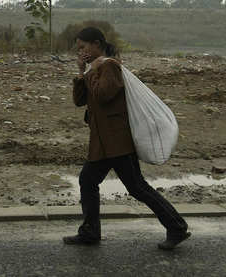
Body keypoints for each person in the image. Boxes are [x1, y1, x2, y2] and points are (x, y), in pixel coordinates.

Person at [63, 26, 190, 250]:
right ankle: (90, 232)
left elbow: (103, 95)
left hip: (118, 142)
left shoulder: (109, 66)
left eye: (83, 47)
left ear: (96, 44)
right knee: (88, 181)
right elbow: (80, 101)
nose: (80, 51)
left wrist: (91, 72)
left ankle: (177, 227)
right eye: (78, 48)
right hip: (102, 144)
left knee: (137, 188)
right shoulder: (94, 68)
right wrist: (81, 73)